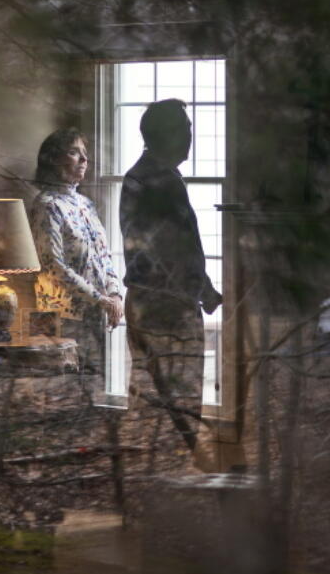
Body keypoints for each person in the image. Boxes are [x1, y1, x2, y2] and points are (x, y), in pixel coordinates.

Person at [120, 99, 222, 454]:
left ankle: (150, 465)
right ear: (170, 135)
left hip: (142, 298)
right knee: (180, 388)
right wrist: (203, 290)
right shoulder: (163, 180)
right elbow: (179, 247)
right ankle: (176, 463)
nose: (191, 137)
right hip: (168, 302)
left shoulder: (138, 175)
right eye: (186, 129)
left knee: (150, 389)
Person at [29, 128, 123, 387]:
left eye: (85, 154)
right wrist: (101, 299)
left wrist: (115, 294)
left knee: (100, 387)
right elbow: (54, 267)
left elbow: (104, 256)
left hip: (98, 313)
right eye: (74, 152)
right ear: (53, 159)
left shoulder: (85, 204)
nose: (84, 160)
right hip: (63, 316)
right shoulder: (47, 205)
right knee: (68, 389)